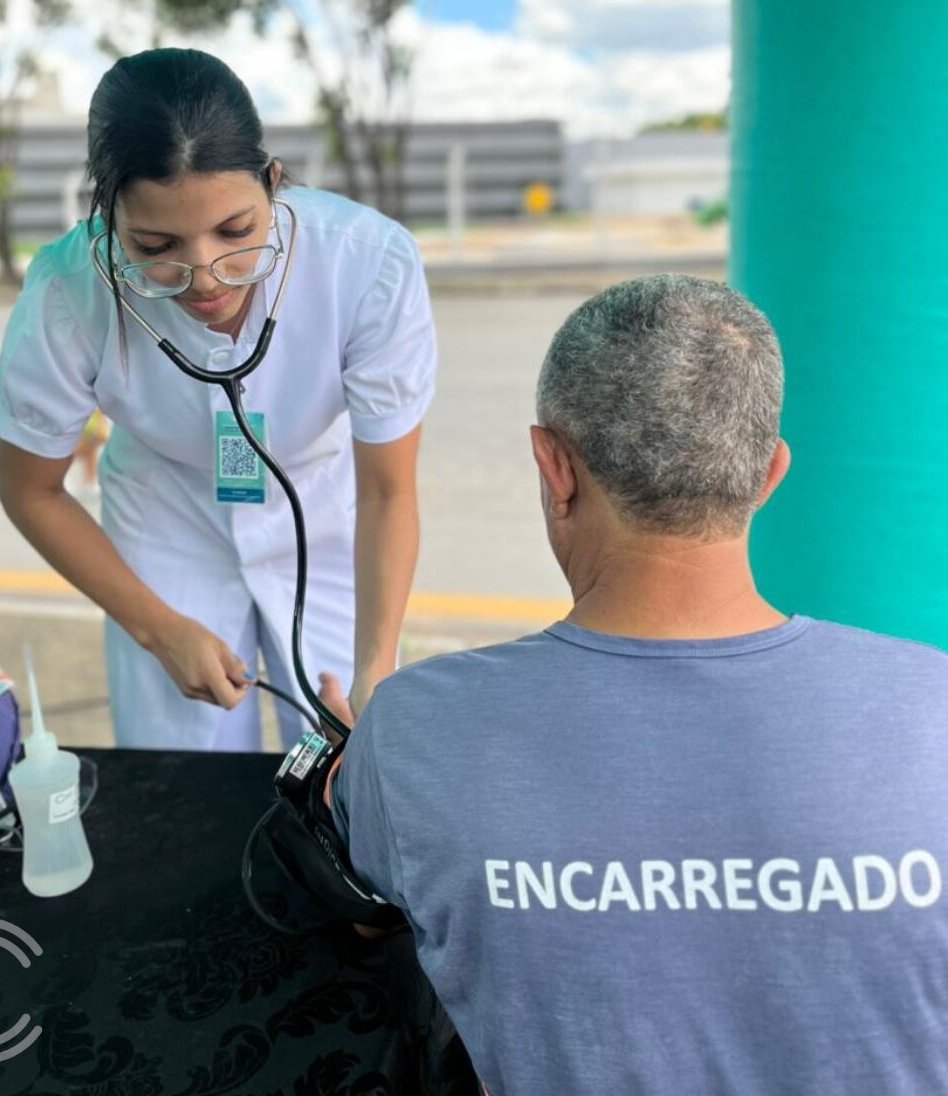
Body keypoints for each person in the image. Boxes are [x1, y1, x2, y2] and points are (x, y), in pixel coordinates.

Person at [323, 275, 948, 1095]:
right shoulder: (931, 703)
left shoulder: (414, 731)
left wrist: (363, 760)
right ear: (768, 474)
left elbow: (352, 877)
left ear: (554, 466)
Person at [0, 48, 436, 751]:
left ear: (275, 184)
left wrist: (375, 665)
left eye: (236, 232)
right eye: (156, 243)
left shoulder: (367, 261)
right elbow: (32, 491)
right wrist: (156, 626)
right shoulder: (66, 290)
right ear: (108, 218)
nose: (206, 278)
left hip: (324, 521)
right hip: (164, 528)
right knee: (181, 768)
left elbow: (388, 492)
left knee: (351, 754)